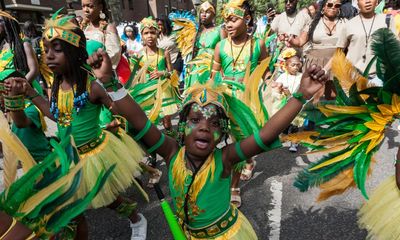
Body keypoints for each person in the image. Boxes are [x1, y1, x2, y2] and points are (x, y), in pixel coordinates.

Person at [79, 32, 328, 238]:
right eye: (195, 120)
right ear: (181, 127)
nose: (204, 127)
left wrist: (301, 96)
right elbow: (139, 120)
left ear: (222, 135)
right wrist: (111, 83)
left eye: (214, 123)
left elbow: (265, 135)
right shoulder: (170, 152)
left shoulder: (226, 158)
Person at [6, 12, 148, 240]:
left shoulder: (92, 86)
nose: (48, 55)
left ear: (73, 51)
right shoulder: (57, 84)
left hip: (96, 154)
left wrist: (116, 121)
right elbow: (56, 114)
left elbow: (121, 110)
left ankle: (137, 219)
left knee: (109, 198)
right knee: (72, 214)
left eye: (57, 49)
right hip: (69, 159)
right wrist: (31, 93)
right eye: (45, 49)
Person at [211, 0, 269, 208]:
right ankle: (236, 182)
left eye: (233, 20)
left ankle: (244, 170)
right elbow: (214, 74)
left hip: (249, 102)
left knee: (245, 140)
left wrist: (274, 84)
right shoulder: (220, 46)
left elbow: (266, 71)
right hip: (227, 101)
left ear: (247, 19)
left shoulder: (258, 44)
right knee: (230, 143)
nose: (228, 24)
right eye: (226, 20)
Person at [326, 0, 398, 84]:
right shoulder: (348, 25)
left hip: (379, 79)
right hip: (353, 78)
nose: (367, 1)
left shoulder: (387, 20)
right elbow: (338, 52)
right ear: (357, 4)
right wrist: (324, 70)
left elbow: (396, 49)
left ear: (377, 2)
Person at [289, 0, 346, 100]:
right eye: (329, 4)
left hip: (337, 63)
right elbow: (301, 41)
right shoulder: (313, 23)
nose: (333, 7)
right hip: (316, 65)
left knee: (334, 96)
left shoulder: (345, 23)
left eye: (337, 5)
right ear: (323, 7)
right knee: (315, 97)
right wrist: (292, 41)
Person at [273, 48, 304, 152]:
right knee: (284, 123)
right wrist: (280, 89)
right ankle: (282, 137)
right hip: (283, 104)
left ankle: (294, 142)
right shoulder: (282, 76)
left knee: (295, 124)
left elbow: (303, 90)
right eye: (293, 65)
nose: (296, 67)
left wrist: (291, 94)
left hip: (296, 103)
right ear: (286, 66)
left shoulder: (301, 77)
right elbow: (275, 88)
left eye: (298, 65)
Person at [81, 0, 121, 70]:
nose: (85, 10)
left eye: (89, 6)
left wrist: (95, 69)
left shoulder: (108, 28)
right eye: (83, 6)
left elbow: (114, 56)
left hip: (99, 77)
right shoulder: (83, 29)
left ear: (100, 7)